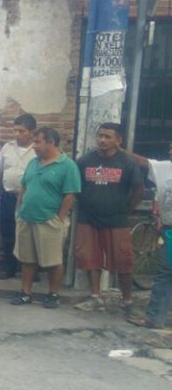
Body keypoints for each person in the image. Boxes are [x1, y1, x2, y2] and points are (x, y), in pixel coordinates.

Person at [73, 122, 144, 314]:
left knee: (123, 259)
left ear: (118, 140)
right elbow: (75, 187)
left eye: (108, 137)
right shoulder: (85, 161)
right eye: (100, 136)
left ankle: (127, 300)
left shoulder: (127, 162)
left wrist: (127, 208)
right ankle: (95, 297)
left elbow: (138, 189)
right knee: (89, 258)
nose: (102, 140)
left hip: (118, 219)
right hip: (88, 218)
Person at [9, 127, 79, 309]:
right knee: (27, 259)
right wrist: (18, 210)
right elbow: (24, 186)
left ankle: (53, 294)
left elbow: (70, 194)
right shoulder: (33, 163)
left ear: (51, 142)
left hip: (49, 220)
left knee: (53, 260)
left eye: (38, 142)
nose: (34, 146)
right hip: (26, 218)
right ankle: (26, 293)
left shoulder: (67, 165)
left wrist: (60, 218)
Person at [127, 143, 172, 328]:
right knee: (165, 273)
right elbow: (143, 162)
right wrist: (118, 149)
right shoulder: (165, 168)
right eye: (170, 147)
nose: (170, 150)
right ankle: (155, 318)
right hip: (169, 230)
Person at [0, 114, 38, 279]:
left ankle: (30, 270)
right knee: (7, 232)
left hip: (29, 198)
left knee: (29, 233)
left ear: (32, 132)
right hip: (8, 195)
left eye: (21, 131)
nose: (17, 134)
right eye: (15, 130)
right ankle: (9, 266)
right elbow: (0, 171)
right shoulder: (7, 148)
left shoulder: (37, 150)